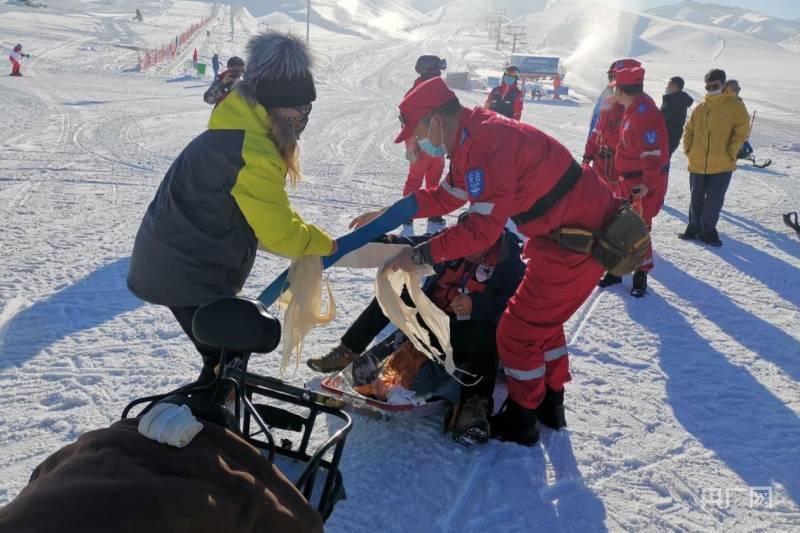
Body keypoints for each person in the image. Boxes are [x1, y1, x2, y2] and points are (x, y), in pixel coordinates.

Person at [350, 77, 618, 446]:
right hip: (560, 234)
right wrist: (388, 214)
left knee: (518, 332)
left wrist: (419, 256)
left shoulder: (486, 142)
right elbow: (445, 197)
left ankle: (522, 420)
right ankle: (551, 405)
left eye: (418, 133)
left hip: (578, 239)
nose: (419, 145)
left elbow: (481, 231)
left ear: (436, 121)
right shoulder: (468, 140)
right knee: (544, 323)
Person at [128, 33, 335, 392]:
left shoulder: (235, 132)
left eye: (306, 112)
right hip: (184, 271)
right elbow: (277, 232)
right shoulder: (252, 150)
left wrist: (307, 238)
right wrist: (324, 245)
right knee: (238, 343)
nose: (302, 120)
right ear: (274, 105)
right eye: (298, 111)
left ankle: (217, 396)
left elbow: (268, 215)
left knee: (224, 355)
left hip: (171, 263)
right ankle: (211, 413)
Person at [309, 222, 525, 445]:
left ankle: (474, 408)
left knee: (486, 335)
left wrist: (477, 304)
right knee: (394, 291)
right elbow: (421, 244)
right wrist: (391, 243)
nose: (466, 252)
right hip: (433, 318)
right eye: (463, 244)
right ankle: (348, 350)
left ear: (490, 239)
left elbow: (513, 305)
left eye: (473, 247)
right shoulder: (455, 237)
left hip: (468, 332)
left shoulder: (510, 264)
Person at [597, 66, 669, 297]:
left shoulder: (644, 112)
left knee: (639, 228)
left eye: (615, 88)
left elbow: (652, 153)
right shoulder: (632, 108)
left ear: (621, 89)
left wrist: (647, 184)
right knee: (620, 225)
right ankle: (618, 270)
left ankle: (641, 274)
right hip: (626, 180)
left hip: (639, 183)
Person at [679, 68, 750, 246]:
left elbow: (741, 130)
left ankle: (707, 231)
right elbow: (689, 130)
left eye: (715, 85)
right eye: (708, 86)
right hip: (698, 162)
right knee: (696, 198)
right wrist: (689, 149)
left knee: (714, 199)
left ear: (723, 84)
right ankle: (694, 227)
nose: (711, 88)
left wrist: (731, 151)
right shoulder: (700, 108)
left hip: (722, 163)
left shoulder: (735, 105)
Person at [401, 55, 448, 237]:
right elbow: (408, 124)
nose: (439, 73)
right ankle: (406, 222)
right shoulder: (416, 92)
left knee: (435, 184)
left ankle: (434, 221)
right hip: (422, 146)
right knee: (414, 183)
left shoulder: (438, 90)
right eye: (437, 69)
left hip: (438, 147)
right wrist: (411, 148)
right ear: (430, 70)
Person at [582, 59, 642, 188]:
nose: (613, 81)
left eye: (616, 76)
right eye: (613, 76)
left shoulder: (641, 110)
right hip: (602, 164)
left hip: (623, 173)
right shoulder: (609, 101)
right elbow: (596, 130)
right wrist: (588, 155)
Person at [660, 76, 693, 159]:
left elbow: (662, 118)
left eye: (670, 84)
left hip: (668, 136)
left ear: (675, 86)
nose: (667, 86)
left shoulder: (674, 100)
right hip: (671, 136)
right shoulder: (676, 98)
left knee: (662, 163)